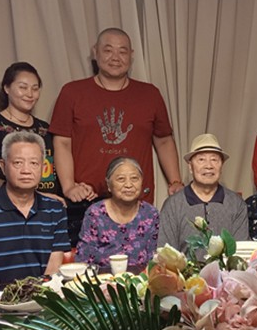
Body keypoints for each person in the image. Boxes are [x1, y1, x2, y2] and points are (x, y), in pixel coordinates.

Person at [49, 28, 183, 205]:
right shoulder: (72, 92)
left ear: (131, 55)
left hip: (136, 199)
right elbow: (62, 142)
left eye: (122, 51)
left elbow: (164, 141)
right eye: (108, 50)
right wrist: (68, 186)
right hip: (85, 197)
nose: (115, 57)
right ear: (95, 52)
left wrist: (175, 182)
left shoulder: (150, 94)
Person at [0, 132, 70, 285]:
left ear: (43, 167)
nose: (26, 170)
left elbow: (53, 268)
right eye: (18, 163)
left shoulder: (55, 209)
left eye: (34, 163)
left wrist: (38, 293)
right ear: (3, 166)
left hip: (42, 294)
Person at [0, 62, 60, 198]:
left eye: (35, 89)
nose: (30, 94)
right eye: (23, 87)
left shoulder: (45, 129)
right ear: (7, 88)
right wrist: (35, 195)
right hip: (7, 206)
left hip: (48, 206)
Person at [158, 134, 249, 255]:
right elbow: (165, 254)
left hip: (226, 268)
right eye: (201, 160)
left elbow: (241, 253)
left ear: (221, 165)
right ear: (190, 167)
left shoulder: (236, 204)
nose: (208, 166)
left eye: (214, 160)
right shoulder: (173, 205)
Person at [76, 157, 159, 273]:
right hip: (101, 280)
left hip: (140, 280)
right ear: (109, 185)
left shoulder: (150, 214)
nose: (128, 185)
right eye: (121, 179)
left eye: (134, 178)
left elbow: (154, 259)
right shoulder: (95, 213)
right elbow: (83, 260)